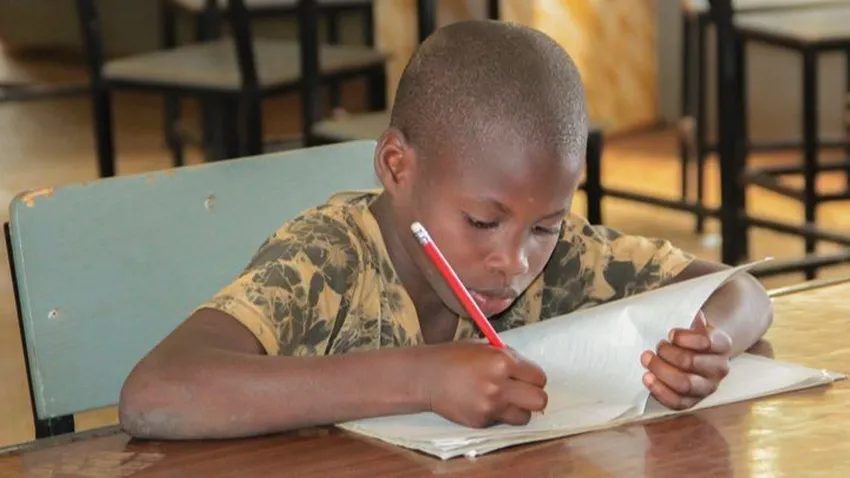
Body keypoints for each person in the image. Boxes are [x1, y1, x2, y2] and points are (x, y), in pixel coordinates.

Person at [118, 20, 773, 440]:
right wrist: (423, 379)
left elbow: (743, 294)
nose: (514, 261)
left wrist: (707, 343)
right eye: (482, 222)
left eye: (544, 225)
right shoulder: (327, 261)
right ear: (397, 167)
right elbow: (155, 394)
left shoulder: (561, 257)